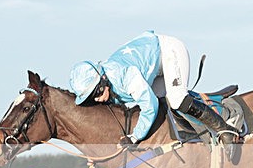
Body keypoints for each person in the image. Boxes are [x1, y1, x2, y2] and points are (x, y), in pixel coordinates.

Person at [68, 30, 240, 149]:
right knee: (166, 100)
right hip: (152, 68)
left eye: (97, 92)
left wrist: (135, 137)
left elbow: (149, 107)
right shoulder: (107, 82)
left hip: (168, 51)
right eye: (92, 97)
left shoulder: (125, 77)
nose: (98, 99)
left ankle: (225, 130)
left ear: (103, 78)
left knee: (177, 99)